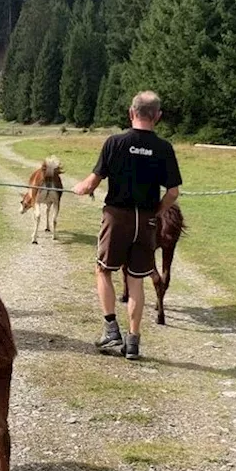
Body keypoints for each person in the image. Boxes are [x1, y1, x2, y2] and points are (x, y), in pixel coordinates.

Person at [73, 91, 181, 360]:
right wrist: (155, 212)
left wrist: (80, 188)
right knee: (136, 279)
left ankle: (111, 329)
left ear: (131, 113)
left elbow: (91, 183)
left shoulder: (115, 142)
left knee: (103, 270)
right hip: (146, 220)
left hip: (116, 216)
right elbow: (173, 193)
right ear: (157, 116)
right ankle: (133, 341)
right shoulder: (164, 148)